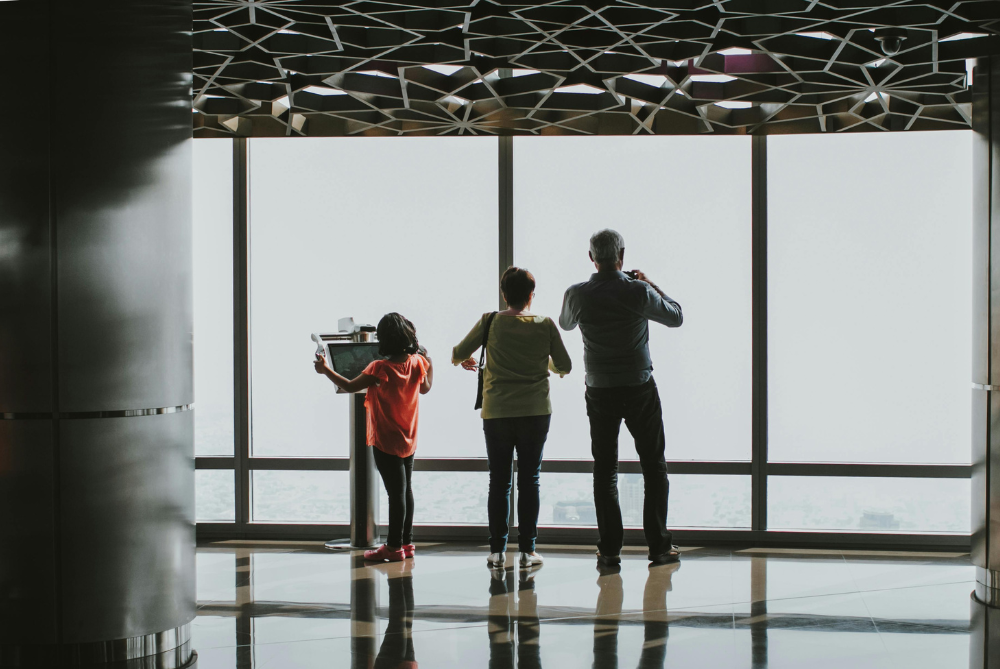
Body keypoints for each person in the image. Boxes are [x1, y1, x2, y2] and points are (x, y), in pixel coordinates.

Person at [559, 229, 683, 567]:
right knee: (654, 467)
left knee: (605, 471)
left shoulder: (577, 294)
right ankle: (659, 546)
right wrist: (649, 282)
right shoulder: (638, 291)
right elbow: (676, 316)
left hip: (599, 390)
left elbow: (566, 324)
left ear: (591, 258)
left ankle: (610, 548)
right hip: (639, 387)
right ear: (622, 256)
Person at [454, 267, 572, 571]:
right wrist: (542, 361)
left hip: (497, 413)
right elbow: (565, 365)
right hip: (535, 412)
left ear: (504, 294)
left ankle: (496, 552)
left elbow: (457, 352)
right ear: (531, 295)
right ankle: (528, 552)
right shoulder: (544, 324)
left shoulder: (489, 321)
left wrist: (464, 359)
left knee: (500, 481)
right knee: (529, 479)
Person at [314, 312, 433, 562]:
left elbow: (348, 386)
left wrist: (325, 370)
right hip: (409, 437)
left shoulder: (379, 367)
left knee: (395, 494)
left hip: (385, 439)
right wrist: (429, 362)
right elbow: (425, 387)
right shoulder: (417, 363)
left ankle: (392, 548)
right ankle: (407, 542)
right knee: (405, 491)